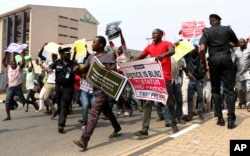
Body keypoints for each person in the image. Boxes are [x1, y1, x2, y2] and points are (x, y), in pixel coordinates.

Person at [73, 36, 122, 151]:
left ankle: (84, 140)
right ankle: (117, 128)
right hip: (94, 89)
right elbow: (83, 70)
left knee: (93, 114)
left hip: (103, 89)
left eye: (94, 42)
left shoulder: (109, 56)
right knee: (108, 112)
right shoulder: (91, 57)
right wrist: (78, 69)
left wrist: (109, 68)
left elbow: (114, 70)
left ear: (101, 44)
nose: (92, 44)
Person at [133, 28, 179, 139]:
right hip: (154, 80)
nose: (153, 35)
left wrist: (163, 55)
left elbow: (172, 51)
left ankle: (174, 124)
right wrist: (126, 64)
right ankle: (145, 129)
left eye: (155, 33)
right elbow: (139, 57)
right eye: (152, 33)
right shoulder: (149, 47)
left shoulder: (167, 44)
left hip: (165, 79)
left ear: (161, 35)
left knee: (170, 103)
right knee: (148, 103)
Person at [199, 14, 239, 129]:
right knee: (229, 90)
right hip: (226, 59)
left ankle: (220, 118)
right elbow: (236, 43)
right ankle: (231, 119)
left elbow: (202, 49)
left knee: (215, 90)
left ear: (210, 22)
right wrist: (230, 44)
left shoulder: (206, 32)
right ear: (219, 21)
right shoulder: (227, 29)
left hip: (213, 60)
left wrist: (203, 62)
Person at [46, 47, 78, 133]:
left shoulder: (73, 63)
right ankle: (61, 118)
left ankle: (61, 125)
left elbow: (79, 70)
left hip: (68, 88)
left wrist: (77, 69)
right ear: (62, 55)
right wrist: (48, 69)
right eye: (67, 54)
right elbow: (49, 67)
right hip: (58, 88)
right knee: (59, 106)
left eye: (69, 54)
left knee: (64, 106)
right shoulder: (57, 63)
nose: (68, 55)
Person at [2, 51, 27, 121]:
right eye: (12, 64)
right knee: (7, 101)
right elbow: (3, 62)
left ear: (16, 65)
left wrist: (22, 55)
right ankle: (8, 116)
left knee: (23, 100)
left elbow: (23, 63)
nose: (13, 65)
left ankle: (33, 103)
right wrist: (5, 54)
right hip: (11, 88)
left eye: (14, 64)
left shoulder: (18, 68)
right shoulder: (9, 68)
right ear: (10, 65)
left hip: (18, 87)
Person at [183, 45, 206, 121]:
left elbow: (204, 62)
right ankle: (190, 114)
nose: (194, 50)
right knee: (190, 97)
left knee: (200, 97)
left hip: (199, 80)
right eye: (192, 49)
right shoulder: (188, 56)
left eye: (196, 49)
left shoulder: (200, 56)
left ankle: (200, 114)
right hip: (191, 80)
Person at [234, 38, 250, 111]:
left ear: (245, 43)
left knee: (248, 88)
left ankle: (248, 105)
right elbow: (233, 62)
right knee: (239, 89)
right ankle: (241, 101)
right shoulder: (236, 52)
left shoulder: (249, 50)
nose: (241, 44)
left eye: (243, 42)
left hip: (247, 72)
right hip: (239, 73)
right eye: (240, 43)